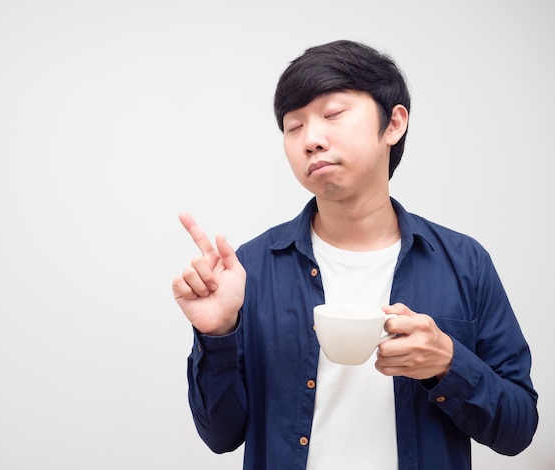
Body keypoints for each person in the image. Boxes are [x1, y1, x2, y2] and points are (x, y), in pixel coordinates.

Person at [171, 39, 538, 469]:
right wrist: (217, 335)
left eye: (332, 115)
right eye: (294, 126)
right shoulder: (250, 269)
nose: (311, 140)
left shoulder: (463, 262)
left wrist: (448, 364)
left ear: (394, 124)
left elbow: (518, 430)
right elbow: (220, 436)